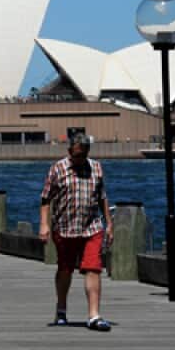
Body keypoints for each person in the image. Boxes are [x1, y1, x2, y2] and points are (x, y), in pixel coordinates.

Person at [40, 135, 114, 331]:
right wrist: (44, 225)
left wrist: (109, 224)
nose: (81, 159)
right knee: (65, 269)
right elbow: (46, 199)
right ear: (70, 152)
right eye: (78, 155)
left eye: (85, 155)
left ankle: (94, 315)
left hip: (91, 226)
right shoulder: (58, 169)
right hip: (64, 228)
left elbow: (102, 197)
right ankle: (61, 308)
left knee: (93, 267)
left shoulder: (96, 168)